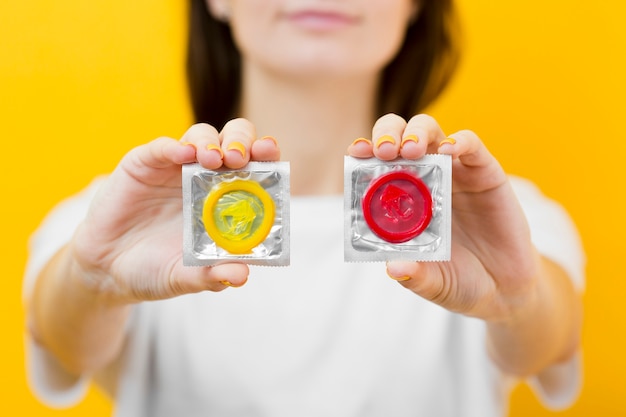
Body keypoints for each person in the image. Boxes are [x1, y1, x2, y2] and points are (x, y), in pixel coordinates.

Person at [23, 0, 585, 416]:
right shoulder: (122, 220)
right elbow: (61, 339)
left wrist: (520, 301)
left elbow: (549, 337)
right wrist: (91, 280)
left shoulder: (496, 220)